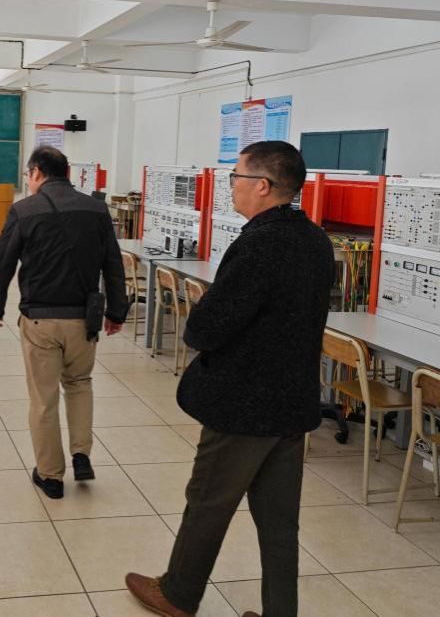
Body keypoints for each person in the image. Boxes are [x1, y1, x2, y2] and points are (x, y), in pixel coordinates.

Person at [125, 141, 334, 617]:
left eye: (236, 177)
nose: (231, 186)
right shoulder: (315, 240)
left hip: (244, 405)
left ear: (262, 185)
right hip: (292, 403)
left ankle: (178, 594)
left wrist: (202, 313)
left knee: (208, 501)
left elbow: (207, 328)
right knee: (279, 521)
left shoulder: (260, 244)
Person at [0, 146, 128, 500]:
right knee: (79, 384)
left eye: (27, 175)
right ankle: (81, 454)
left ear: (36, 172)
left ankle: (50, 475)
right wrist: (116, 312)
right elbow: (113, 264)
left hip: (40, 320)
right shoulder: (97, 209)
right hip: (84, 321)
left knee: (44, 398)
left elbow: (2, 263)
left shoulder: (24, 210)